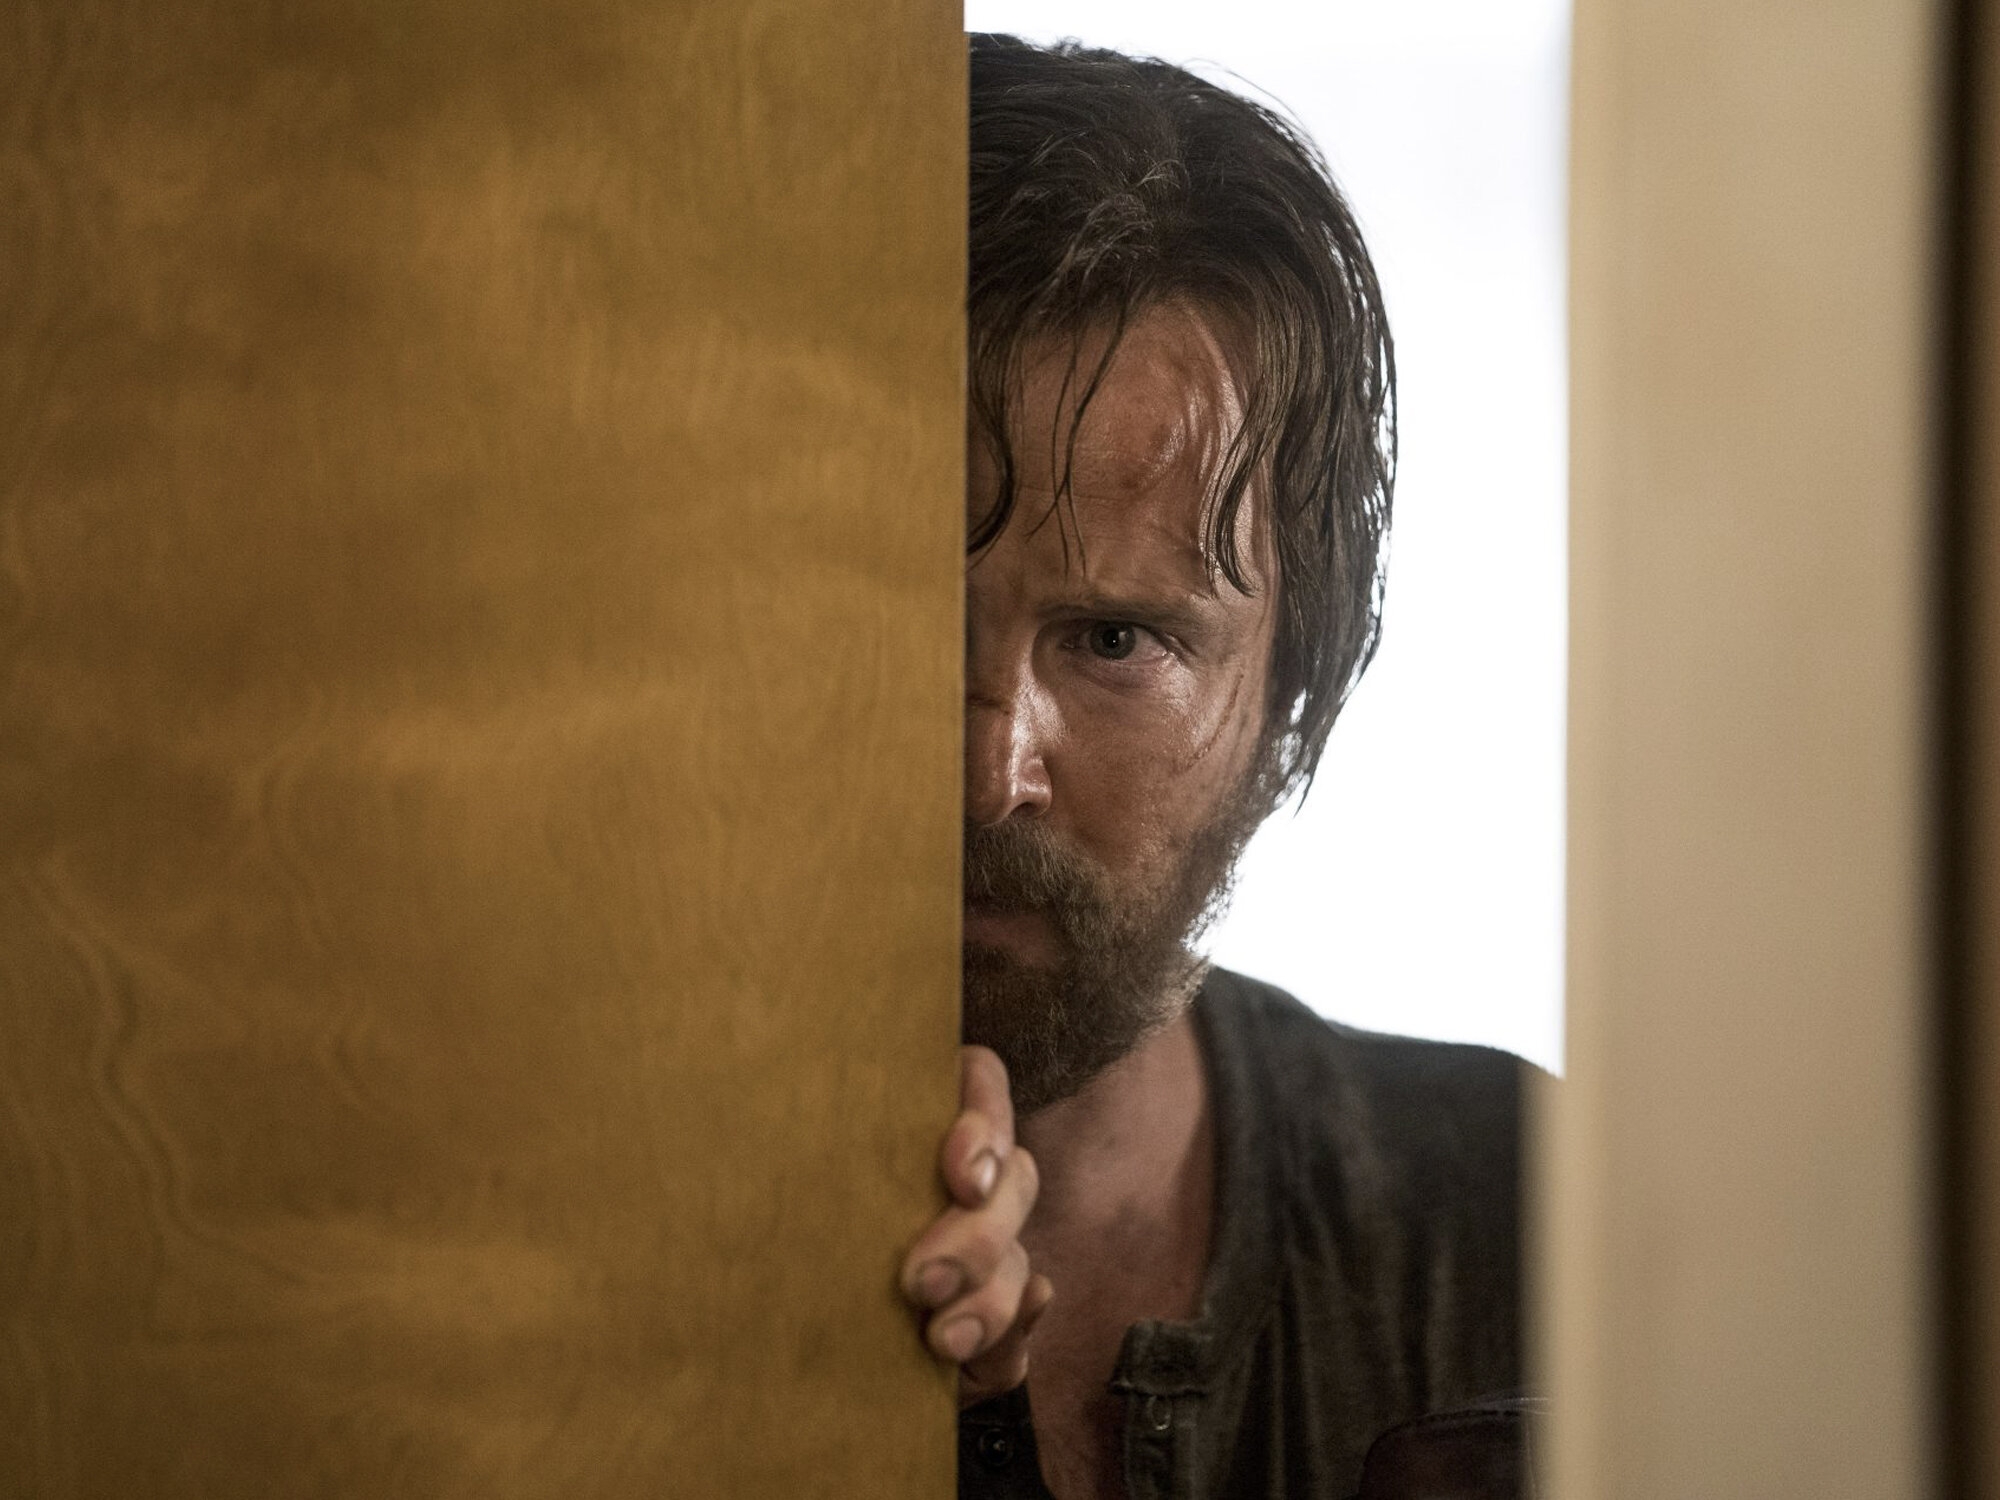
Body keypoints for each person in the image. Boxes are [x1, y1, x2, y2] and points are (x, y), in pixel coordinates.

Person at [898, 35, 1528, 1500]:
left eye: (1115, 639)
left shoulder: (1529, 1229)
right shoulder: (544, 1234)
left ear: (1294, 682)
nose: (991, 773)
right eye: (903, 622)